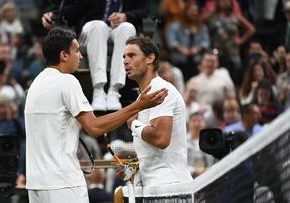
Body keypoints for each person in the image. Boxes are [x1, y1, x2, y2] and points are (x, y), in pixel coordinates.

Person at [24, 27, 168, 203]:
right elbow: (94, 127)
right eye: (76, 51)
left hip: (36, 183)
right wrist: (138, 105)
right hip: (63, 183)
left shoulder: (35, 84)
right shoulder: (67, 81)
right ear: (64, 55)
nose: (81, 56)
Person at [42, 0, 149, 111]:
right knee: (99, 26)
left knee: (127, 27)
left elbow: (144, 10)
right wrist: (54, 15)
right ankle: (99, 90)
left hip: (119, 29)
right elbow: (75, 7)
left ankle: (114, 90)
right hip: (91, 29)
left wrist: (126, 16)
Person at [123, 36, 193, 187]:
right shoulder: (143, 97)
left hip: (170, 185)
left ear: (150, 58)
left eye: (132, 55)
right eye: (124, 57)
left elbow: (161, 139)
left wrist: (133, 124)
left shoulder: (160, 90)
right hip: (157, 184)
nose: (125, 61)